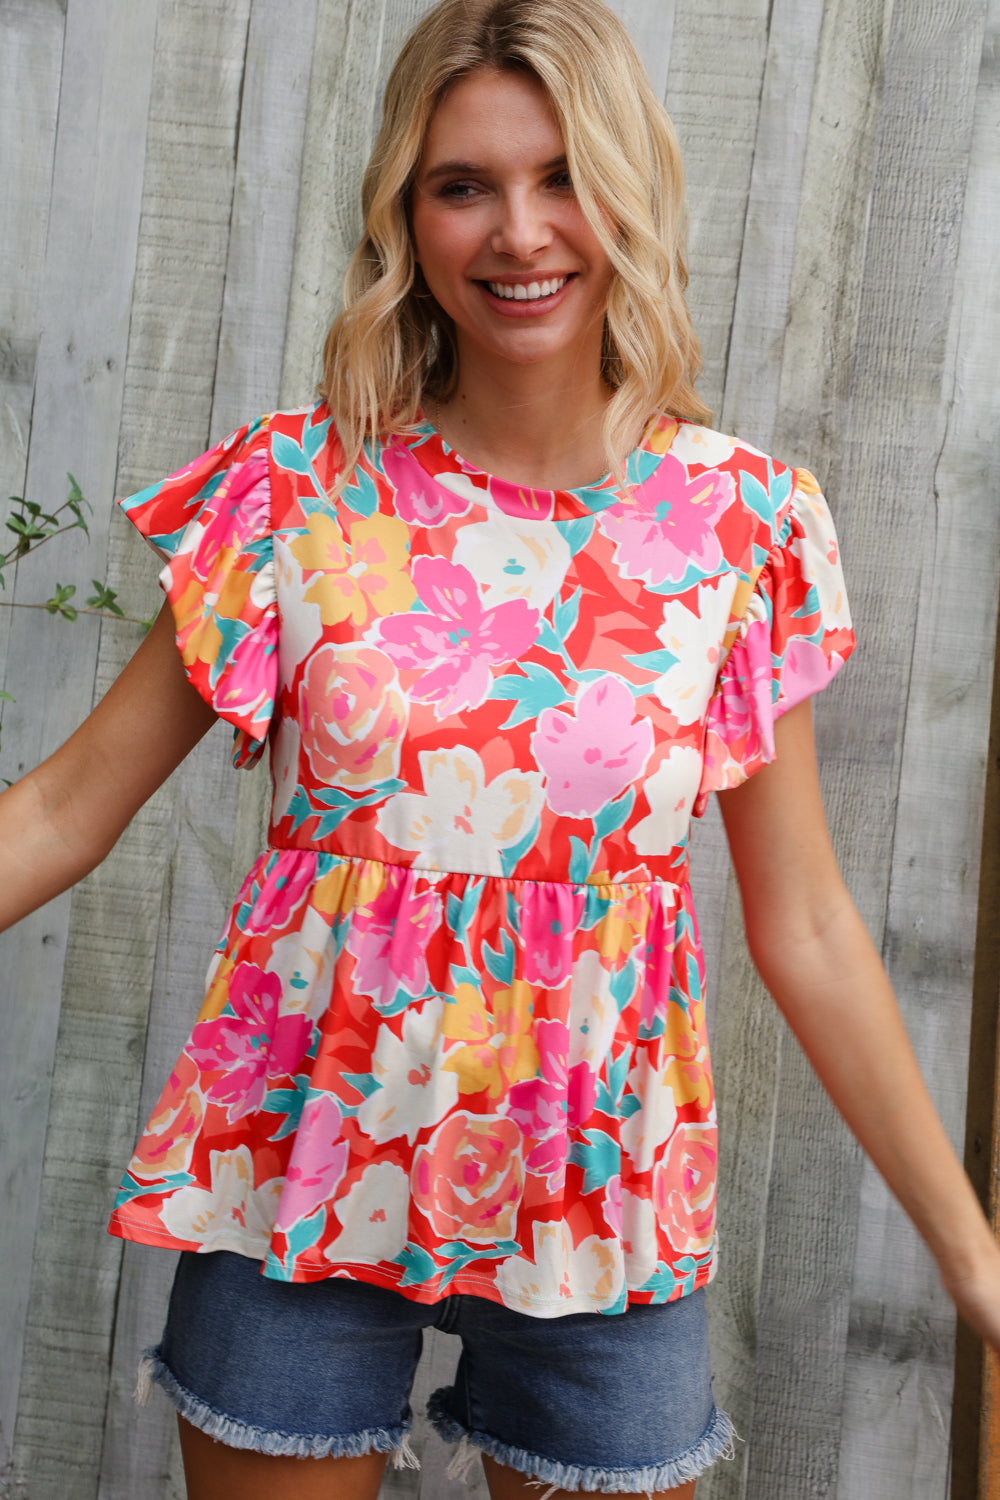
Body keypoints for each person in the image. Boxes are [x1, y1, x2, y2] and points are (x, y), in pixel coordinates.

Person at [3, 1, 1000, 1496]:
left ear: (626, 195)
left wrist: (973, 1262)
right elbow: (63, 810)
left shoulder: (740, 524)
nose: (518, 231)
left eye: (561, 177)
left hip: (601, 1208)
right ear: (408, 212)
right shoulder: (299, 494)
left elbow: (804, 922)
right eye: (463, 183)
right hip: (300, 1182)